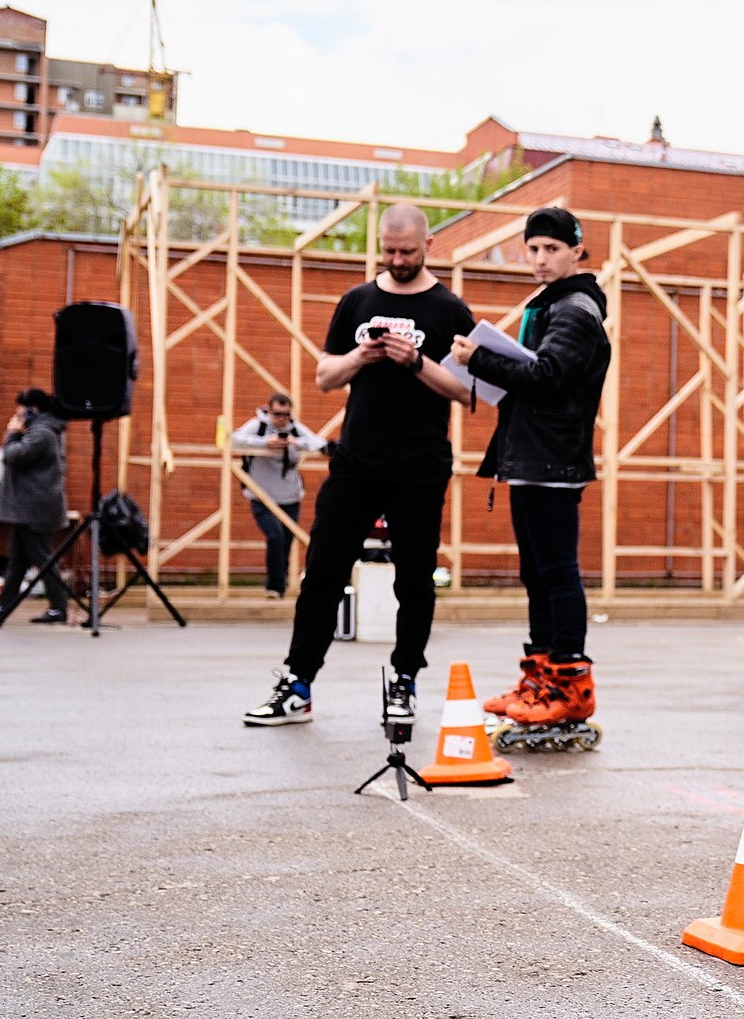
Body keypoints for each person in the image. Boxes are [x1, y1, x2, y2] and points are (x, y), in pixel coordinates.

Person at [243, 203, 478, 727]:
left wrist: (415, 362)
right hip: (356, 462)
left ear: (428, 246)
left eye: (407, 252)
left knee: (414, 581)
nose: (397, 260)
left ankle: (404, 682)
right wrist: (361, 358)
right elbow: (325, 376)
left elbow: (467, 392)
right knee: (323, 572)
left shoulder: (450, 311)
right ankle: (297, 684)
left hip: (420, 466)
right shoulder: (357, 301)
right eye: (389, 251)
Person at [461, 205, 612, 745]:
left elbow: (548, 376)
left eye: (552, 248)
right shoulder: (554, 305)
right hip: (535, 456)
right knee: (538, 573)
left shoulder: (574, 309)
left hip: (551, 460)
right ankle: (541, 680)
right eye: (534, 248)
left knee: (555, 571)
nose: (542, 258)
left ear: (577, 251)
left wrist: (480, 359)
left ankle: (569, 684)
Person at [0, 389, 71, 625]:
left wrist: (11, 434)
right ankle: (1, 605)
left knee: (43, 559)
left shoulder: (42, 433)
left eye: (20, 408)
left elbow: (14, 456)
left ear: (33, 409)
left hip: (35, 508)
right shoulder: (43, 430)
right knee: (18, 559)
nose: (17, 413)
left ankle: (59, 608)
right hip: (30, 507)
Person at [231, 393, 326, 597]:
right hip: (261, 496)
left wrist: (295, 443)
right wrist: (265, 443)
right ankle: (275, 586)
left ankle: (278, 580)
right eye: (277, 414)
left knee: (286, 542)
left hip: (289, 497)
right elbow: (234, 439)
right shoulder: (258, 426)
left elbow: (319, 443)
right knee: (274, 537)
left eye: (286, 414)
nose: (282, 419)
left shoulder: (294, 429)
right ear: (269, 411)